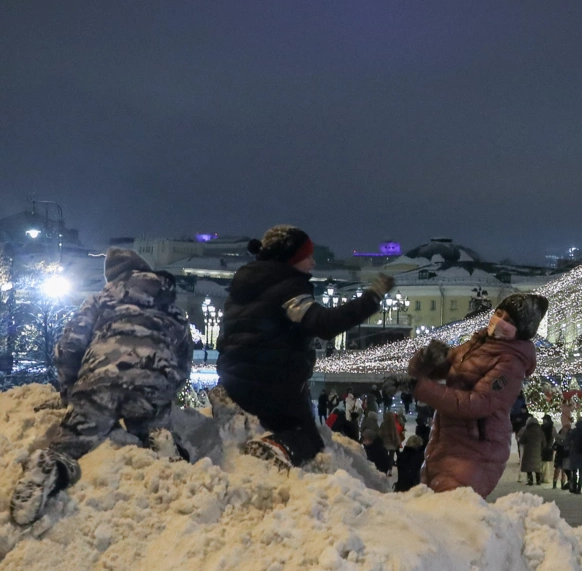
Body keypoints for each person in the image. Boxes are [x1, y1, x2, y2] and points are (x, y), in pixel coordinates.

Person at [9, 248, 193, 527]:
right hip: (153, 388)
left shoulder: (101, 299)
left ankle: (52, 467)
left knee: (70, 443)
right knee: (153, 425)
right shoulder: (172, 307)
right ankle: (161, 440)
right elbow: (183, 363)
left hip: (99, 385)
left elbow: (69, 346)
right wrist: (164, 390)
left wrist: (70, 391)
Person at [217, 226, 390, 468]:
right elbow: (323, 324)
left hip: (234, 377)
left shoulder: (243, 285)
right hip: (273, 380)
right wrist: (370, 299)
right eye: (306, 256)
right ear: (290, 259)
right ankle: (274, 449)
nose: (312, 262)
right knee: (307, 440)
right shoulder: (288, 288)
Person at [409, 293, 548, 498]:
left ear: (522, 330)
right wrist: (427, 359)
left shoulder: (511, 363)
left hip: (477, 452)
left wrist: (419, 387)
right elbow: (434, 371)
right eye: (499, 313)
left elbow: (476, 403)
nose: (500, 321)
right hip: (445, 445)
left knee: (450, 516)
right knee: (434, 516)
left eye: (509, 321)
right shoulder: (475, 345)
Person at [566, 417, 582, 494]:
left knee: (574, 471)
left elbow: (568, 439)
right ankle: (579, 488)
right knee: (581, 472)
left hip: (575, 452)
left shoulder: (575, 431)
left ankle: (574, 487)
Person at [517, 415, 545, 486]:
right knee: (537, 466)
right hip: (537, 451)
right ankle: (538, 480)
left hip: (528, 451)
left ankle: (530, 480)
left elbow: (522, 440)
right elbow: (544, 442)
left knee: (528, 466)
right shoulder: (540, 431)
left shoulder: (527, 431)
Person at [553, 414, 570, 489]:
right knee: (557, 470)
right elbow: (555, 445)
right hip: (560, 454)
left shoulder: (568, 437)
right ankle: (555, 483)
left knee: (563, 471)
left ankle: (562, 483)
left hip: (564, 455)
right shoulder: (561, 434)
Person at [540, 414, 556, 486]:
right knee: (543, 463)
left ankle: (545, 477)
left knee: (545, 463)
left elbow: (552, 438)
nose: (543, 421)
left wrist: (548, 445)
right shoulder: (543, 427)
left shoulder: (550, 428)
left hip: (547, 447)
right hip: (543, 447)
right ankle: (543, 477)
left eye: (545, 419)